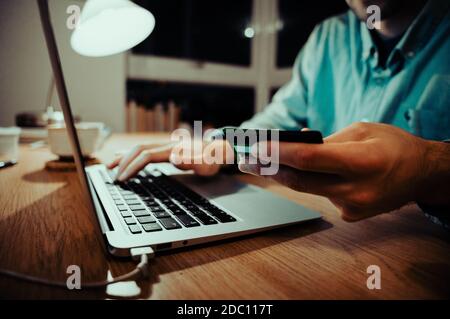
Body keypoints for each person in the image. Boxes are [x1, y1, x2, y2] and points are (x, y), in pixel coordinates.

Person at [109, 0, 450, 225]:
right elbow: (275, 121)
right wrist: (222, 147)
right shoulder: (328, 38)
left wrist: (432, 166)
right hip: (330, 245)